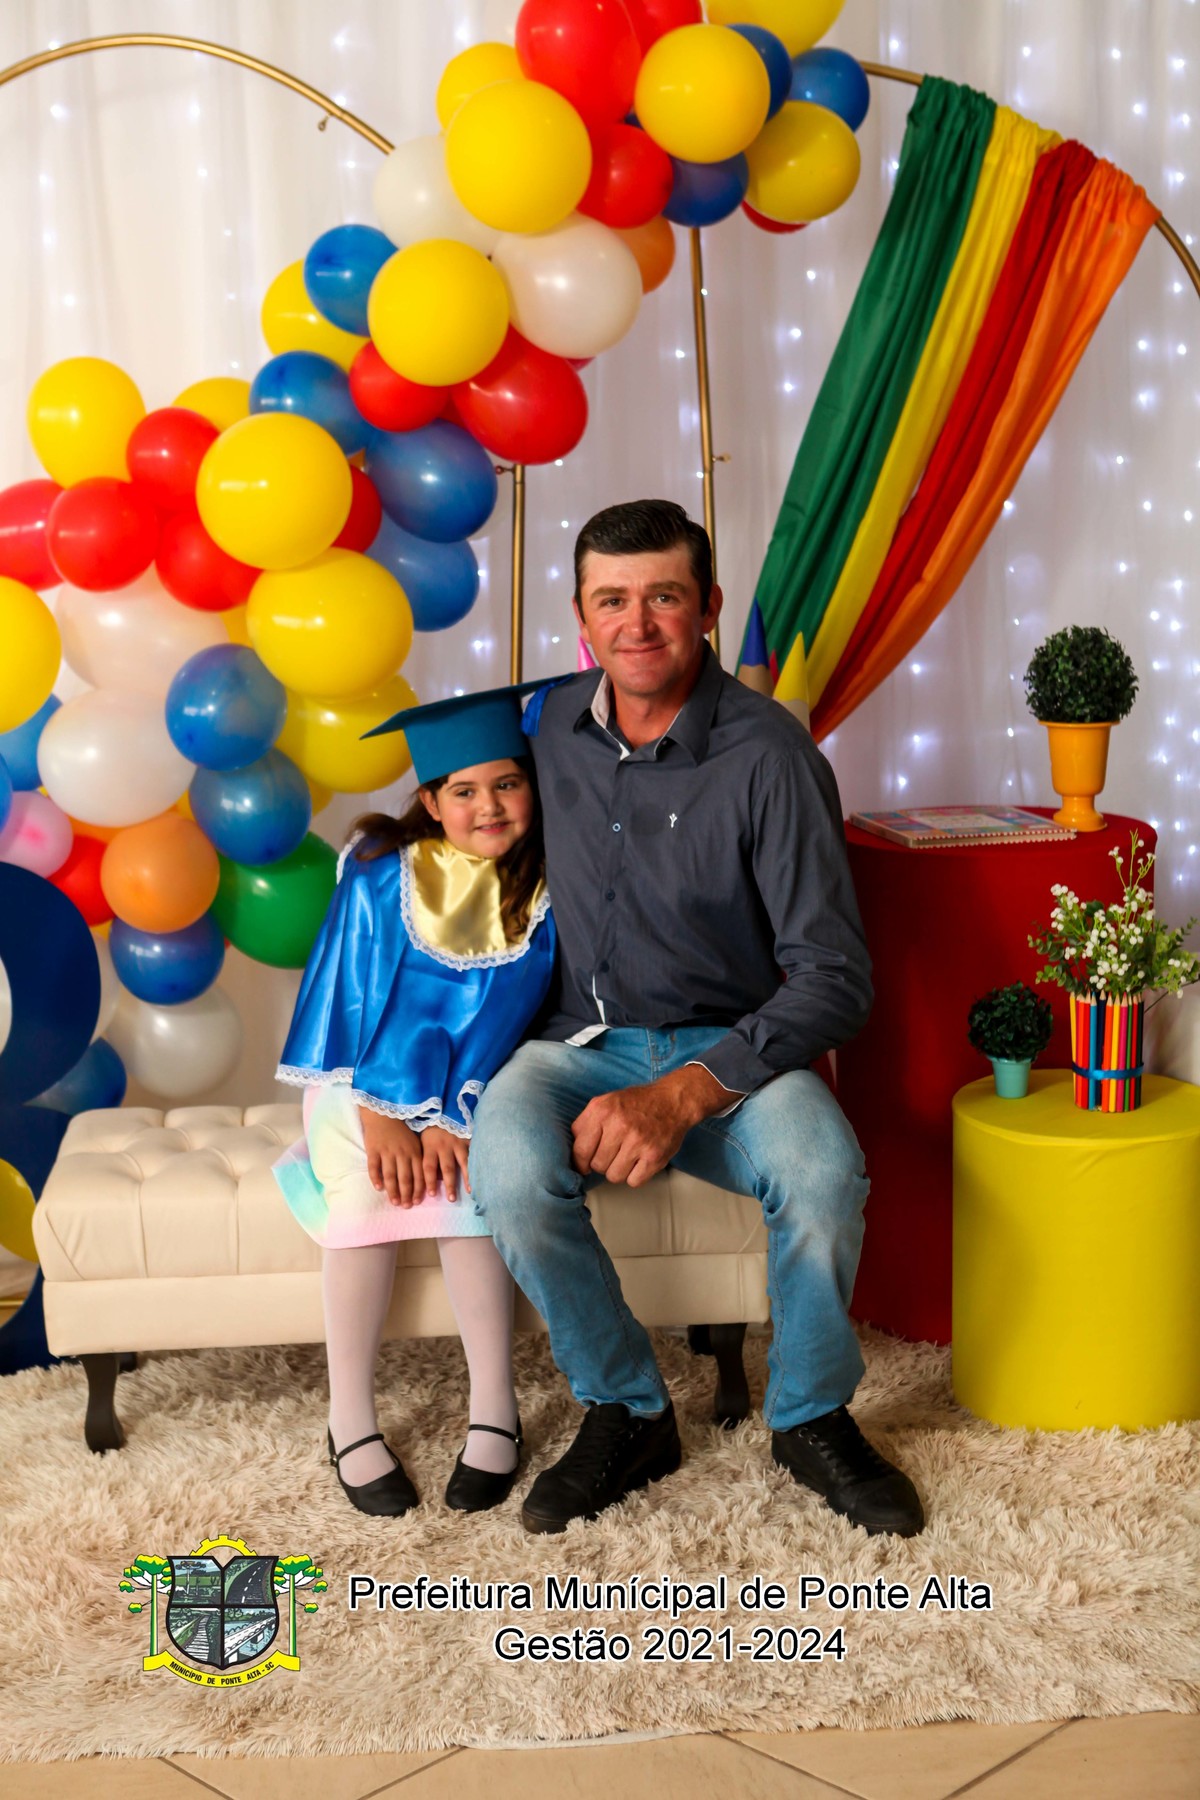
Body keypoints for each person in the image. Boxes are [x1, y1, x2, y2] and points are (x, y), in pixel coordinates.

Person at [470, 499, 925, 1539]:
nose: (636, 624)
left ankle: (810, 1417)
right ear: (580, 616)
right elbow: (450, 833)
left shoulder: (773, 756)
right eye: (612, 600)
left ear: (709, 606)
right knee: (508, 1173)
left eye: (664, 597)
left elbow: (835, 979)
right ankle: (629, 1411)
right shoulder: (546, 730)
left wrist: (684, 1094)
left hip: (736, 1055)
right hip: (576, 1047)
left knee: (822, 1176)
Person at [272, 684, 556, 1517]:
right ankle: (350, 1418)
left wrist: (451, 1118)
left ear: (533, 787)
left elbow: (519, 1023)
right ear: (431, 802)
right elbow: (347, 1004)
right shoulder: (379, 873)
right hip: (360, 1080)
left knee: (471, 1192)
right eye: (463, 790)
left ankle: (494, 1407)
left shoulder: (546, 889)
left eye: (507, 783)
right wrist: (389, 1113)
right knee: (370, 1193)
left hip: (475, 1089)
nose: (488, 806)